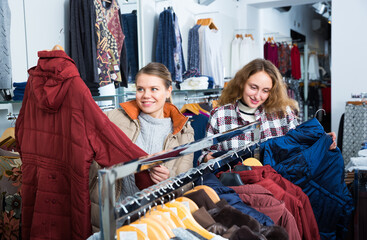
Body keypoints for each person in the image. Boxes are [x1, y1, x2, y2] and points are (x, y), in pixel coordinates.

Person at [90, 62, 194, 232]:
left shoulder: (184, 131)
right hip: (113, 218)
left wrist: (169, 179)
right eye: (140, 89)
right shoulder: (113, 119)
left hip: (157, 222)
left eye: (154, 89)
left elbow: (187, 184)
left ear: (168, 91)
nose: (146, 95)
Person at [201, 58, 336, 163]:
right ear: (241, 83)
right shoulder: (219, 116)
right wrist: (206, 159)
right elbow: (204, 157)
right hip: (235, 190)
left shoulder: (283, 113)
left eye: (265, 91)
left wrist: (322, 140)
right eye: (253, 87)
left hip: (277, 187)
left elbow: (299, 146)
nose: (258, 96)